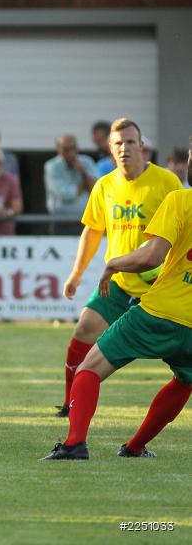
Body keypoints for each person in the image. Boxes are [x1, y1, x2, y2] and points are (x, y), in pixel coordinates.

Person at [42, 143, 192, 460]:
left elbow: (152, 256)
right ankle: (135, 447)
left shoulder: (180, 200)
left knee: (90, 368)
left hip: (159, 311)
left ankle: (74, 444)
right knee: (184, 381)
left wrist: (113, 264)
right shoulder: (109, 185)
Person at [56, 118, 183, 417]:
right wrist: (75, 274)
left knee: (181, 358)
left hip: (160, 285)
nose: (124, 148)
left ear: (142, 147)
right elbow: (92, 231)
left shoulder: (166, 183)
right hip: (119, 282)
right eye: (118, 143)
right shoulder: (104, 185)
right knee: (84, 328)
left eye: (130, 142)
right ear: (110, 150)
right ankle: (68, 404)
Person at [44, 133, 99, 215]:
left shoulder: (87, 162)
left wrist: (84, 173)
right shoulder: (52, 167)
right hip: (60, 219)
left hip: (85, 218)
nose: (70, 153)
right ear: (59, 149)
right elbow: (65, 195)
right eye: (66, 149)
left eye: (73, 148)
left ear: (77, 148)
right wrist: (84, 185)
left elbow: (98, 190)